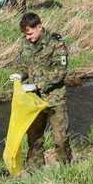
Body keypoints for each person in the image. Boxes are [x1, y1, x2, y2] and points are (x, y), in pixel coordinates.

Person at [10, 13, 72, 169]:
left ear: (39, 27)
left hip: (54, 97)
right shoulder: (25, 43)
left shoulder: (55, 43)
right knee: (34, 137)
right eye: (26, 34)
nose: (28, 37)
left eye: (30, 33)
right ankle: (33, 170)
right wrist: (20, 74)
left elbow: (60, 71)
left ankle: (66, 167)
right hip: (33, 100)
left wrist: (37, 84)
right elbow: (23, 64)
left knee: (60, 138)